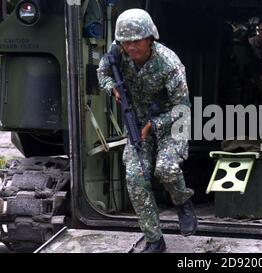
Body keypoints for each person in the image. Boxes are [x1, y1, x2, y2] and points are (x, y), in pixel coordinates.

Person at [97, 8, 197, 253]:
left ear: (150, 38)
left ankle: (182, 201)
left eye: (136, 41)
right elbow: (102, 73)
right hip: (138, 122)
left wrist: (154, 125)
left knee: (166, 169)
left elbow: (183, 109)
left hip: (171, 124)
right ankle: (154, 239)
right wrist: (113, 88)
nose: (131, 47)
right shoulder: (117, 54)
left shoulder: (169, 64)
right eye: (126, 42)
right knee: (135, 177)